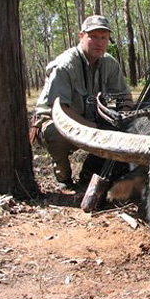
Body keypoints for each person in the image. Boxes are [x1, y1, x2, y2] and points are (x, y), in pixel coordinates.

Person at [34, 15, 133, 190]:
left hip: (91, 119)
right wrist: (92, 127)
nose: (99, 42)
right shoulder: (65, 65)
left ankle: (91, 174)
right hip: (57, 119)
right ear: (81, 37)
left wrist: (124, 117)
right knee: (55, 133)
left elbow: (125, 96)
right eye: (93, 37)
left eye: (103, 38)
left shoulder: (110, 63)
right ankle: (63, 178)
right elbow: (60, 109)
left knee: (123, 131)